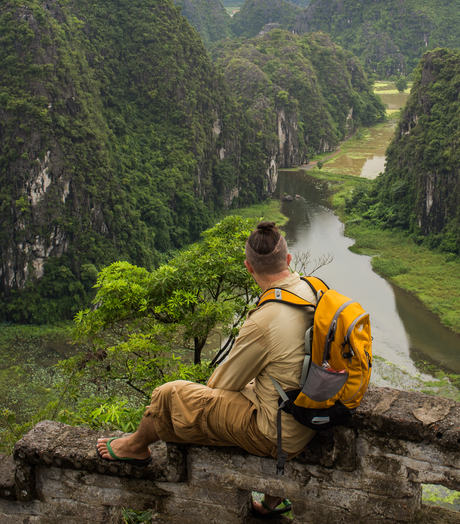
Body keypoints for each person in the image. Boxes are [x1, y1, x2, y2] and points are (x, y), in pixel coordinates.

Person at [96, 221, 317, 518]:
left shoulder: (265, 319)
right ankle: (272, 500)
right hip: (312, 415)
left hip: (278, 434)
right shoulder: (313, 290)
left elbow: (223, 383)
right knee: (269, 387)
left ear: (248, 268)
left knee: (170, 394)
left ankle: (135, 446)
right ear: (289, 261)